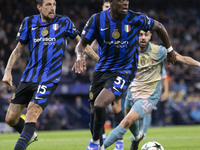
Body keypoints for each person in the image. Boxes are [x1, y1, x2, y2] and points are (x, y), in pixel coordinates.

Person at [72, 0, 176, 149]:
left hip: (125, 69)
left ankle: (96, 143)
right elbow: (81, 44)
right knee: (94, 111)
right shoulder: (96, 19)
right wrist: (80, 56)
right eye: (121, 0)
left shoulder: (135, 18)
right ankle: (129, 136)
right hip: (102, 69)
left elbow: (159, 27)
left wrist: (170, 49)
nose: (125, 3)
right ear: (111, 2)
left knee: (101, 103)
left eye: (126, 0)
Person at [1, 0, 95, 150]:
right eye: (48, 5)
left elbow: (81, 43)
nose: (52, 8)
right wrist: (7, 70)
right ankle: (29, 135)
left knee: (32, 112)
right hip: (29, 76)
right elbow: (18, 49)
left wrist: (98, 60)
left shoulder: (64, 22)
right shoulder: (29, 22)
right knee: (11, 118)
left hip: (49, 77)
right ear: (39, 7)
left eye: (54, 4)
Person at [104, 30, 200, 150]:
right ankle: (137, 136)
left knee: (126, 121)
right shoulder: (128, 50)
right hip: (131, 93)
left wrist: (198, 64)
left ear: (150, 36)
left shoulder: (158, 51)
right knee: (131, 124)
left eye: (146, 34)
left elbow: (182, 58)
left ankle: (101, 147)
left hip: (149, 96)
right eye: (140, 34)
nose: (143, 37)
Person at [90, 1, 124, 149]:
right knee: (96, 106)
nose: (109, 9)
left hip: (117, 71)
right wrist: (95, 59)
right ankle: (101, 139)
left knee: (116, 106)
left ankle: (119, 141)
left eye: (111, 7)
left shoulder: (121, 24)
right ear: (102, 8)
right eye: (106, 7)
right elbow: (88, 46)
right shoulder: (99, 24)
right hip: (101, 72)